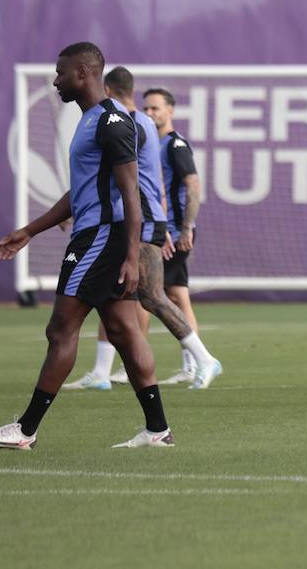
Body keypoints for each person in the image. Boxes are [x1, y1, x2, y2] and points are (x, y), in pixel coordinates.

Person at [0, 42, 173, 449]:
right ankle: (158, 431)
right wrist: (30, 230)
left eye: (61, 72)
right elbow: (80, 190)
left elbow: (130, 192)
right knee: (123, 330)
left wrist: (132, 255)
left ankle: (25, 429)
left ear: (83, 72)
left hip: (101, 237)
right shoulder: (90, 120)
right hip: (101, 235)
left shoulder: (112, 122)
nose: (55, 80)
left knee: (61, 328)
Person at [64, 70, 221, 391]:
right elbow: (151, 183)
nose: (151, 113)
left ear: (106, 89)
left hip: (140, 222)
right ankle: (102, 372)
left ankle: (203, 359)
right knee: (112, 296)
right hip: (140, 220)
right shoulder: (139, 125)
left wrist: (165, 225)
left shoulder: (127, 124)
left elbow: (127, 180)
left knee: (153, 297)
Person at [142, 86, 214, 385]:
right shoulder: (153, 144)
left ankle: (133, 361)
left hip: (173, 232)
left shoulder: (175, 145)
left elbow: (192, 184)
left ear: (170, 111)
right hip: (167, 230)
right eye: (146, 108)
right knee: (177, 297)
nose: (149, 113)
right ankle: (192, 364)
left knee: (147, 295)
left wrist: (186, 228)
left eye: (155, 108)